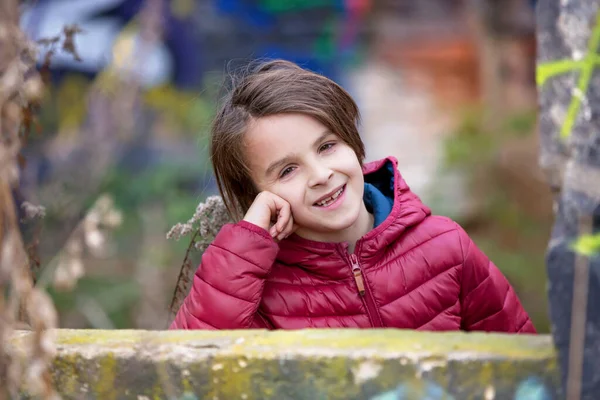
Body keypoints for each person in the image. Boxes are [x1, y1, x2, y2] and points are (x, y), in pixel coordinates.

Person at [170, 59, 536, 333]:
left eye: (327, 146)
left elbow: (521, 364)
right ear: (259, 196)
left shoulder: (446, 247)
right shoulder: (257, 290)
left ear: (354, 143)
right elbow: (189, 366)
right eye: (287, 170)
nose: (321, 175)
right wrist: (248, 244)